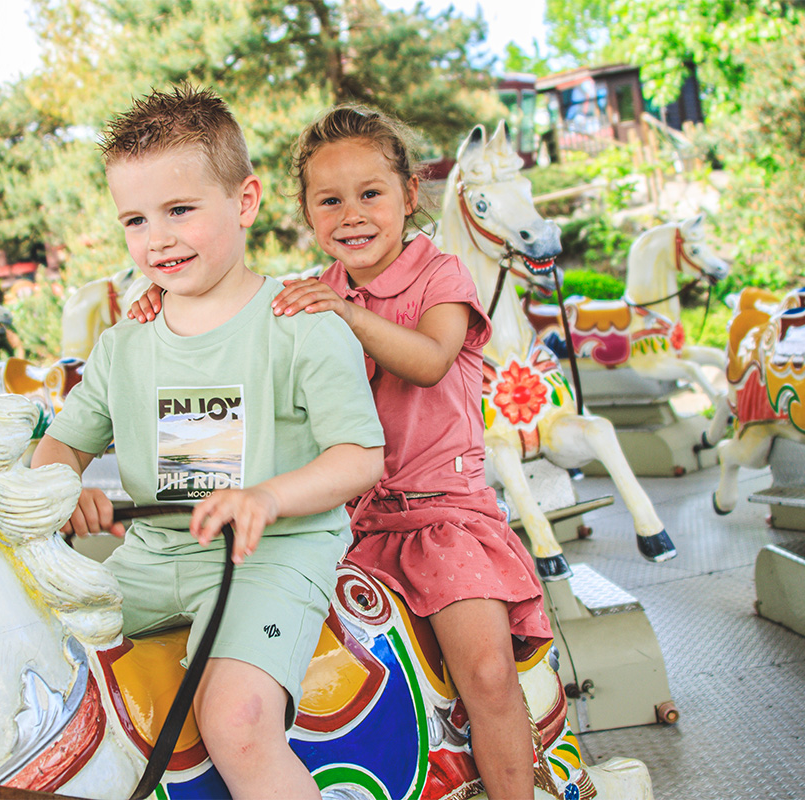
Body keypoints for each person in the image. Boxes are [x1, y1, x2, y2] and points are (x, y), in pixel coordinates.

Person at [129, 105, 553, 799]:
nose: (351, 214)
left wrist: (346, 312)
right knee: (276, 648)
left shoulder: (438, 277)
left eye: (370, 194)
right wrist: (170, 303)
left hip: (442, 517)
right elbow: (234, 335)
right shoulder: (310, 294)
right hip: (348, 524)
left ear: (410, 194)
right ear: (304, 210)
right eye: (330, 200)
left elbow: (430, 358)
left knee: (485, 672)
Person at [30, 86, 385, 800]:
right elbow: (62, 446)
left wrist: (266, 496)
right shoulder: (123, 346)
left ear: (245, 202)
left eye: (180, 210)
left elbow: (360, 457)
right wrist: (62, 490)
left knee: (236, 717)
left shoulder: (302, 328)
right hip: (152, 558)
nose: (157, 237)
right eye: (135, 219)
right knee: (27, 656)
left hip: (270, 557)